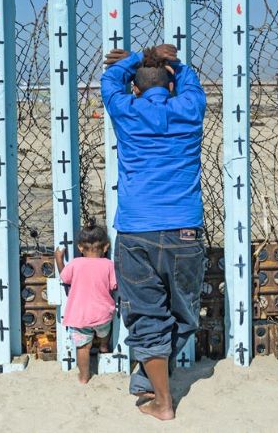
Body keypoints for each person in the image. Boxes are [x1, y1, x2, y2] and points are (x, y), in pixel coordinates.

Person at [101, 44, 207, 420]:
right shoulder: (191, 108)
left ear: (135, 87)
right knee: (185, 314)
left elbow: (109, 80)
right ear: (172, 84)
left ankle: (160, 398)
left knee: (147, 316)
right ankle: (152, 375)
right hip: (185, 230)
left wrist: (133, 60)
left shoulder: (126, 110)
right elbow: (190, 80)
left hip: (136, 230)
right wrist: (168, 62)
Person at [54, 219, 117, 384]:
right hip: (102, 314)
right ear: (106, 247)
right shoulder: (109, 265)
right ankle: (103, 346)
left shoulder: (75, 263)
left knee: (83, 347)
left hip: (80, 316)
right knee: (105, 333)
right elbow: (114, 285)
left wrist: (59, 259)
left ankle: (83, 377)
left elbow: (64, 277)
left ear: (80, 247)